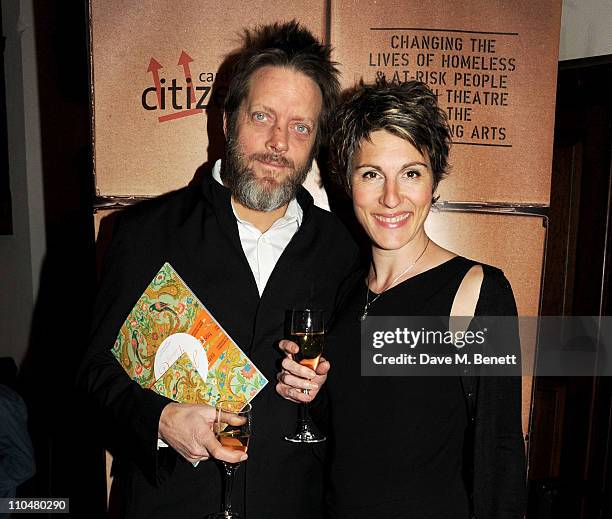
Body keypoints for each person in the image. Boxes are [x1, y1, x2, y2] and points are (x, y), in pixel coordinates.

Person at [79, 21, 358, 519]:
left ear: (315, 143)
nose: (278, 142)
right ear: (228, 121)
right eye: (262, 117)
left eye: (300, 127)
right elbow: (90, 377)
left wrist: (326, 386)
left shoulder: (343, 249)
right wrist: (160, 419)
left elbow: (361, 403)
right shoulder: (145, 233)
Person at [278, 80, 526, 518]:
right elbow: (352, 434)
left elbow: (501, 452)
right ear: (346, 182)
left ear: (434, 181)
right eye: (371, 174)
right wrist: (310, 395)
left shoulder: (476, 291)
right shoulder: (344, 292)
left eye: (411, 173)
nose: (391, 197)